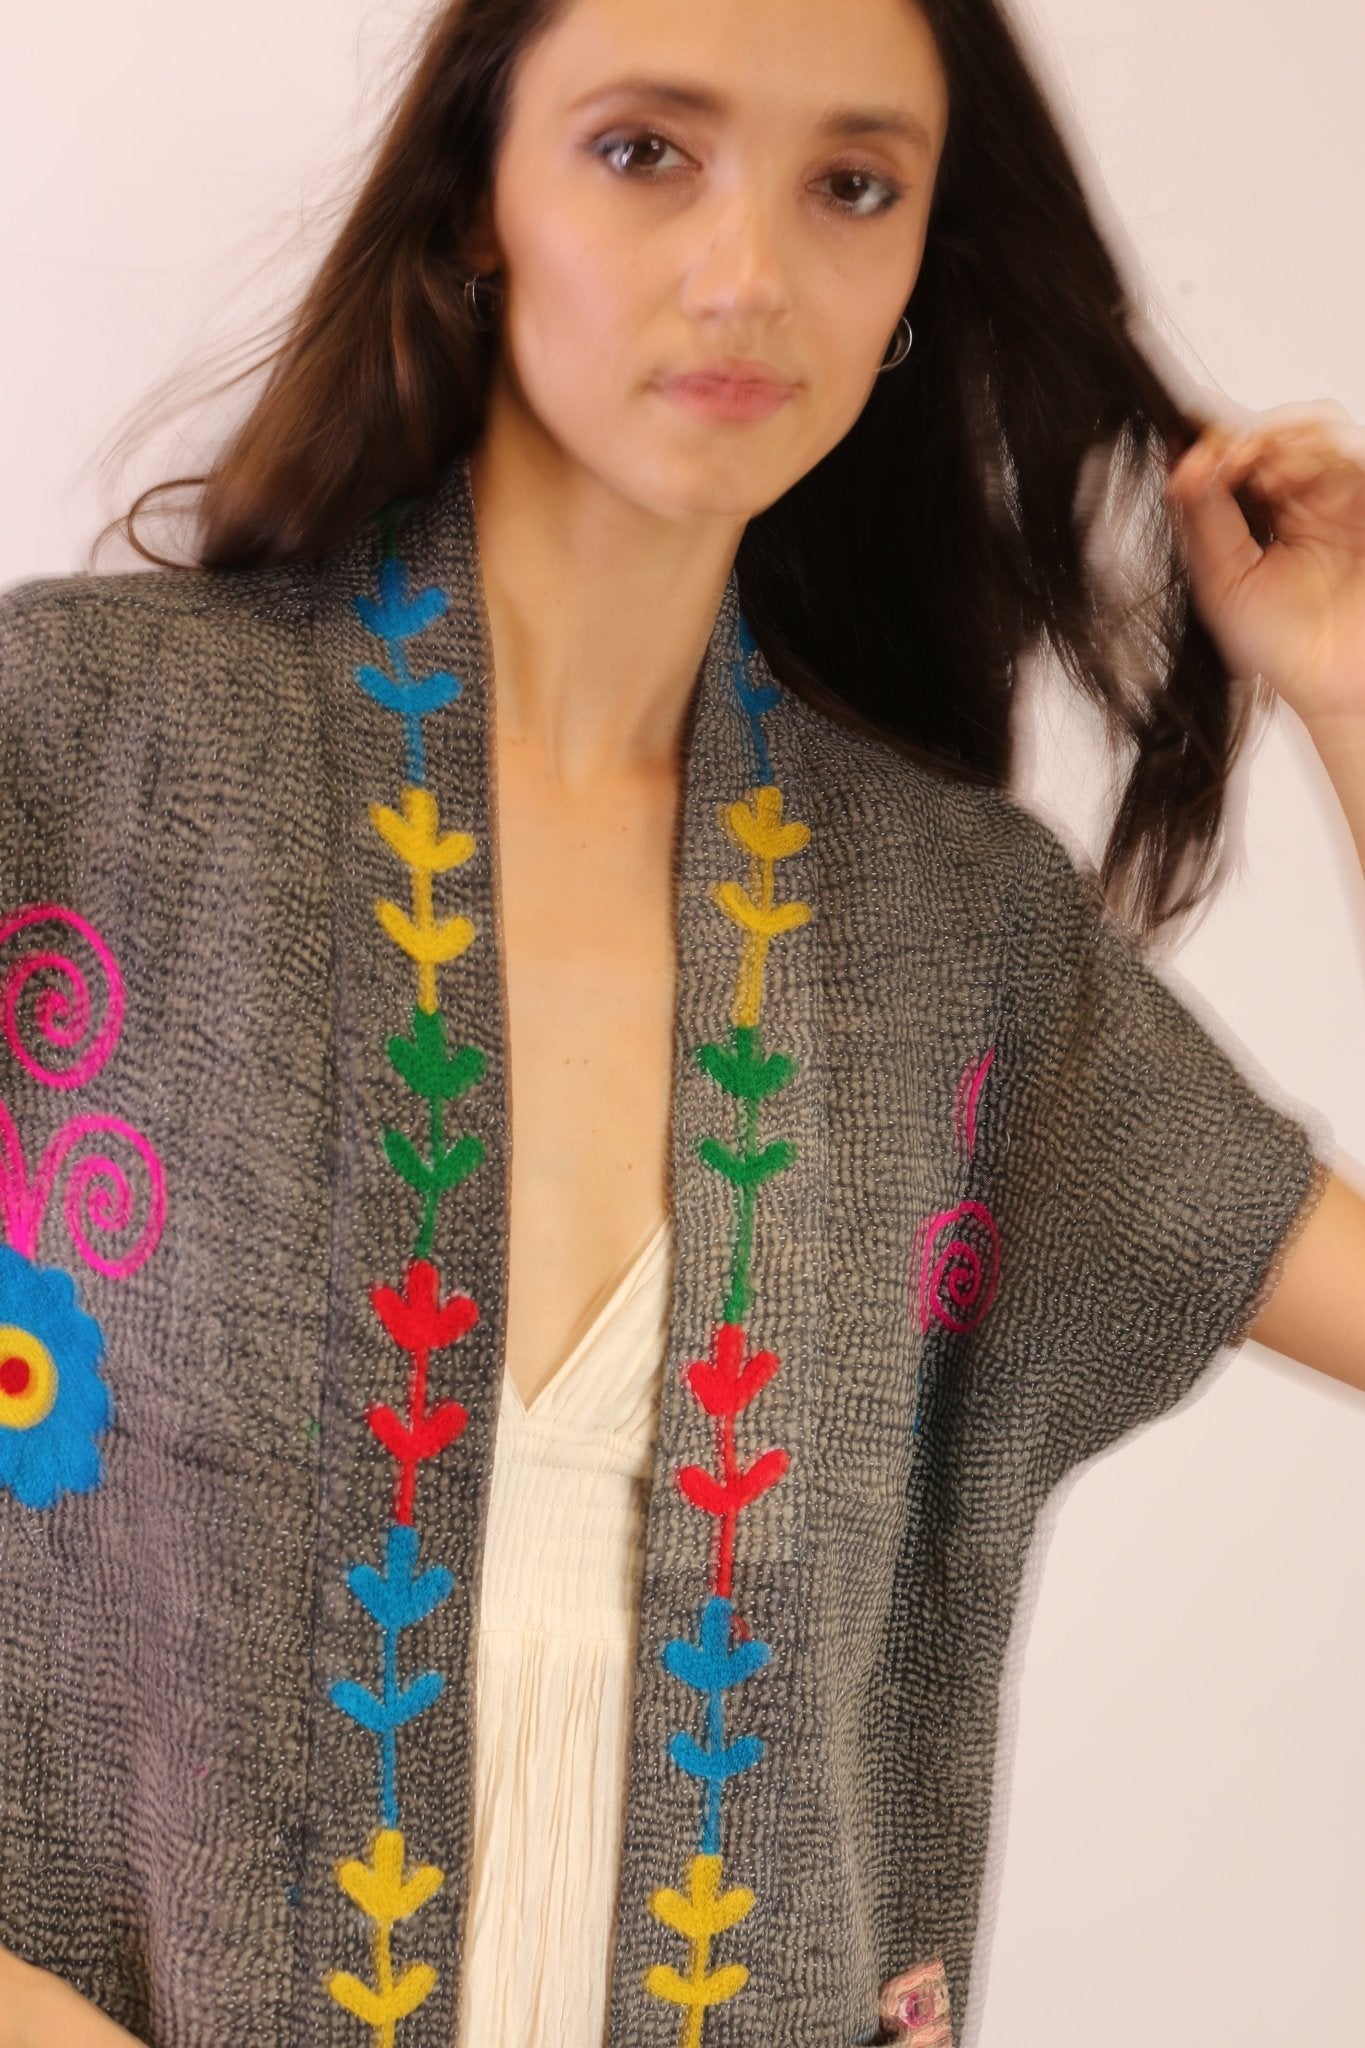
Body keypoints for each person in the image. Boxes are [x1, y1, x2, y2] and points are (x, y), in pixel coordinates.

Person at [1, 0, 1363, 2044]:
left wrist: (1350, 693)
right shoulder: (86, 756)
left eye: (851, 185)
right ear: (479, 198)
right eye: (645, 151)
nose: (749, 270)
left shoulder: (947, 944)